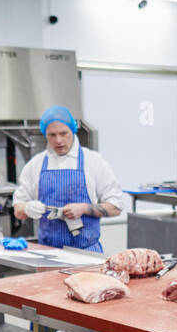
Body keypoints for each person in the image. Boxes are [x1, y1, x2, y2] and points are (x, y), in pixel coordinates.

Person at [11, 105, 124, 252]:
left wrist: (84, 209)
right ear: (45, 134)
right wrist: (27, 208)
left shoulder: (93, 161)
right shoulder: (35, 165)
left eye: (63, 133)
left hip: (87, 254)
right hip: (48, 254)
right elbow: (18, 211)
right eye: (52, 135)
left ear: (73, 131)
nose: (58, 140)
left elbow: (116, 207)